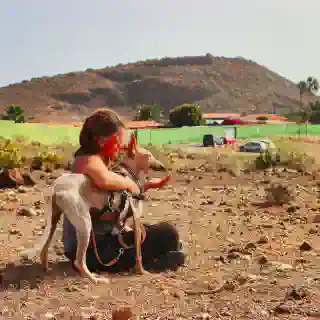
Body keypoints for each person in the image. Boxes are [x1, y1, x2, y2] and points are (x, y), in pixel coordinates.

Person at [63, 108, 185, 273]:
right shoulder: (86, 162)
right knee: (166, 233)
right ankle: (154, 261)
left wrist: (142, 187)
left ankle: (160, 255)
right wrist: (130, 184)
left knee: (163, 233)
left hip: (102, 242)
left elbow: (111, 204)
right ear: (100, 141)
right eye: (117, 141)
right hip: (93, 251)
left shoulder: (96, 159)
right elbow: (104, 179)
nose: (120, 147)